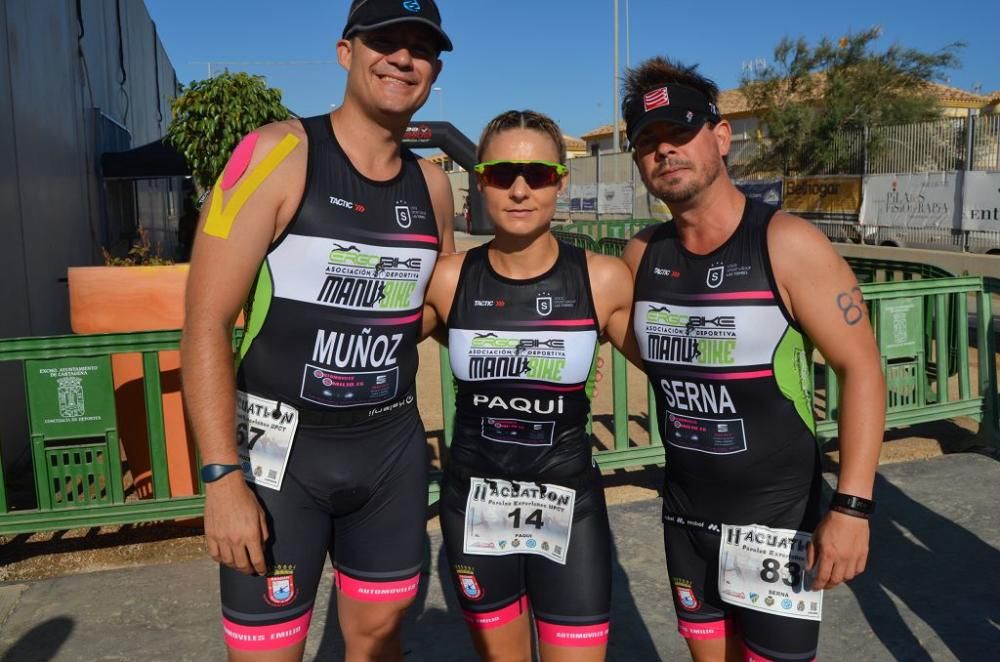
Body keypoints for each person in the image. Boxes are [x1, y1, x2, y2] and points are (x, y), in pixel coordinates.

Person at [179, 1, 455, 659]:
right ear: (346, 52)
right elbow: (205, 323)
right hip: (279, 463)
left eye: (420, 46)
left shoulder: (435, 185)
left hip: (388, 456)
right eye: (384, 40)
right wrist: (220, 477)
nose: (402, 57)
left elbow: (431, 309)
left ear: (434, 69)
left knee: (378, 647)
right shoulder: (275, 153)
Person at [620, 57, 885, 662]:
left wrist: (851, 507)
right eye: (648, 143)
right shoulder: (640, 256)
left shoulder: (788, 243)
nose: (665, 151)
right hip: (685, 516)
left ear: (719, 136)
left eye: (680, 134)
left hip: (779, 520)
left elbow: (862, 368)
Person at [422, 110, 634, 661]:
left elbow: (688, 365)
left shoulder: (603, 278)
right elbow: (358, 340)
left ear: (560, 182)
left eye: (537, 174)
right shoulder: (447, 278)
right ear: (480, 180)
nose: (519, 189)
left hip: (571, 503)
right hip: (475, 505)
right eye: (501, 174)